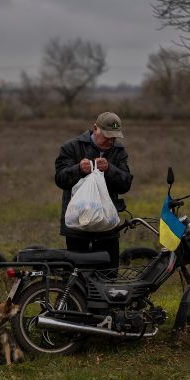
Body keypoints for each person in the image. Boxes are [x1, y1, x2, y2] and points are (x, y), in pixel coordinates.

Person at [55, 112, 133, 270]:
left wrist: (110, 169)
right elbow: (60, 180)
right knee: (78, 276)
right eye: (106, 136)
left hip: (107, 226)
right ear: (95, 128)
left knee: (109, 274)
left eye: (114, 137)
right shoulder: (71, 147)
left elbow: (125, 184)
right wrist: (78, 170)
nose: (110, 141)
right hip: (78, 226)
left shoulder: (119, 151)